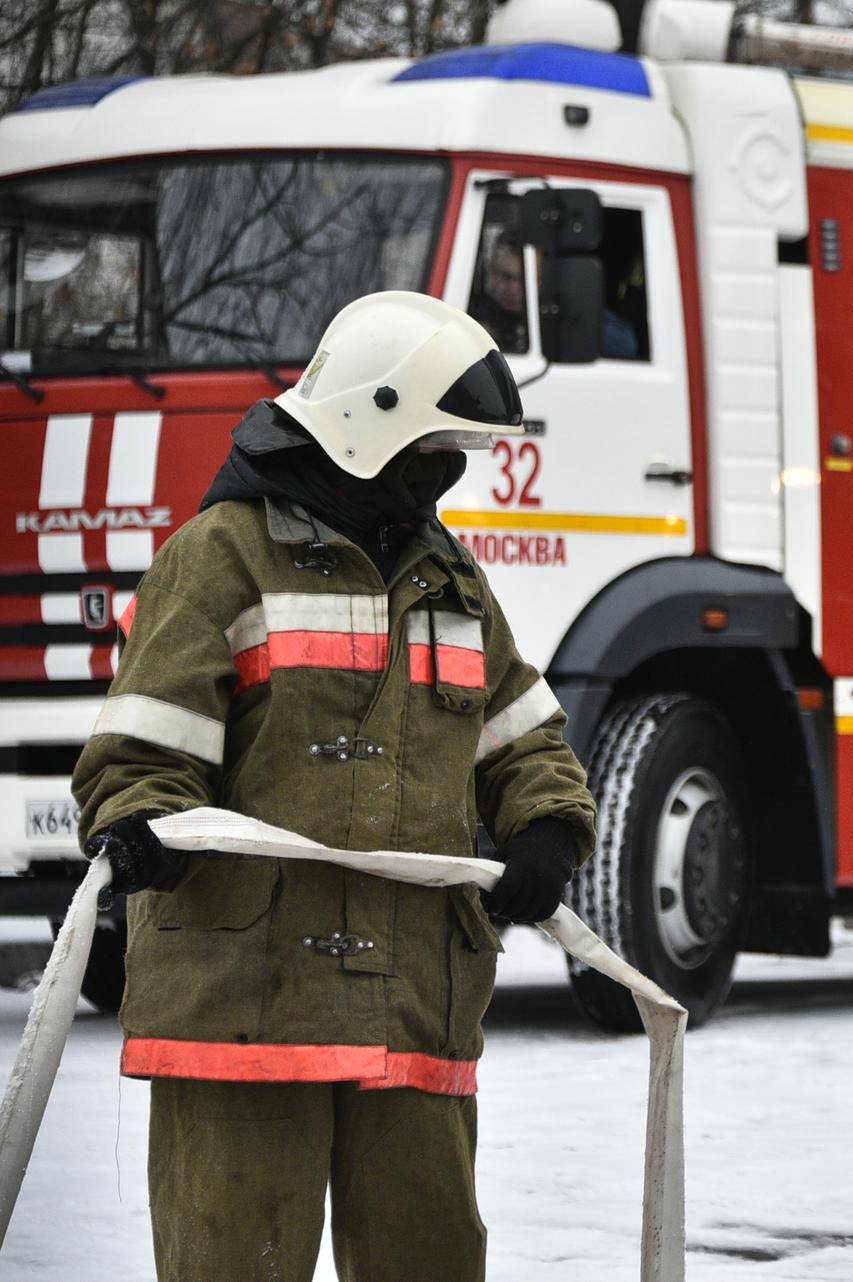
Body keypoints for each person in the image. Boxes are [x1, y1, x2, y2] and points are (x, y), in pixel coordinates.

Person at [70, 291, 598, 1281]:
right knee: (236, 1261)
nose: (447, 472)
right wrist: (140, 821)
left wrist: (546, 831)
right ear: (373, 423)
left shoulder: (452, 582)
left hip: (411, 1007)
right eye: (435, 448)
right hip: (243, 1010)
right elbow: (143, 745)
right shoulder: (220, 556)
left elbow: (524, 736)